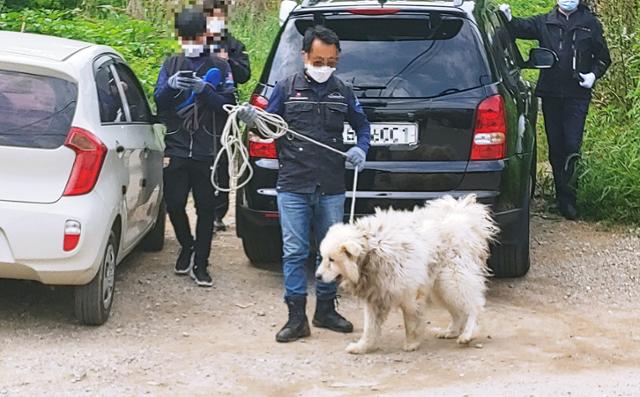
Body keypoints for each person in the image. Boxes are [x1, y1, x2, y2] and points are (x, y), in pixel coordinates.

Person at [238, 26, 371, 343]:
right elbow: (267, 127)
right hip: (294, 184)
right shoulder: (285, 88)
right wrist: (252, 119)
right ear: (305, 57)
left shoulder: (343, 92)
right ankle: (296, 317)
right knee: (295, 252)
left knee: (330, 253)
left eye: (331, 61)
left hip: (331, 186)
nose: (324, 67)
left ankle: (325, 309)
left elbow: (363, 126)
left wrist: (360, 149)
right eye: (318, 60)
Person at [500, 0, 611, 220]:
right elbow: (519, 28)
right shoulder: (544, 21)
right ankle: (560, 196)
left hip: (576, 95)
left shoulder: (590, 23)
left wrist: (593, 75)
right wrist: (507, 17)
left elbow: (604, 58)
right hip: (551, 94)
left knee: (572, 144)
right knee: (556, 145)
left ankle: (570, 199)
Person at [154, 5, 236, 287]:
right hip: (176, 147)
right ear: (179, 37)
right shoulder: (171, 64)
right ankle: (186, 246)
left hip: (207, 149)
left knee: (206, 208)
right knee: (175, 204)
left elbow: (229, 105)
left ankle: (201, 261)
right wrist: (172, 86)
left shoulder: (221, 66)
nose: (191, 44)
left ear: (205, 35)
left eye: (195, 38)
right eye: (185, 38)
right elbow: (159, 101)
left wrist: (206, 90)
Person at [202, 0, 252, 232]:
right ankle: (203, 208)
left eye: (219, 16)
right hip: (200, 111)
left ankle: (218, 213)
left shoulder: (234, 44)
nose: (215, 20)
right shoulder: (196, 41)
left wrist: (227, 61)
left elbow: (244, 75)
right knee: (202, 161)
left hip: (225, 111)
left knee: (223, 161)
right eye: (211, 15)